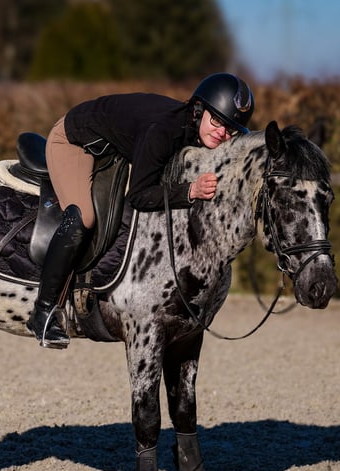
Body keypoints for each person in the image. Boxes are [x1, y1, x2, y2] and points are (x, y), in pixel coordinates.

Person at [26, 73, 255, 349]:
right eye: (217, 121)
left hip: (111, 147)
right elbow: (139, 196)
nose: (222, 134)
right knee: (83, 214)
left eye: (230, 130)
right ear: (198, 111)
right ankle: (43, 311)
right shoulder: (163, 131)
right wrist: (190, 191)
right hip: (75, 140)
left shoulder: (195, 133)